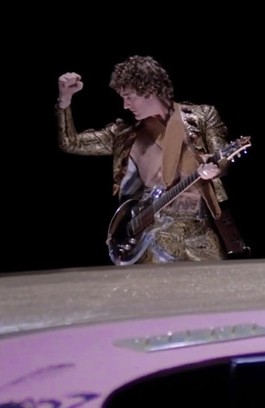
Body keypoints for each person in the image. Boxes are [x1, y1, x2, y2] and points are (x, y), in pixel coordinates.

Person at [56, 55, 248, 265]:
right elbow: (71, 143)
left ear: (150, 89)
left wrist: (216, 168)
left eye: (129, 97)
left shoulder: (202, 116)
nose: (125, 105)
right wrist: (65, 100)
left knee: (220, 282)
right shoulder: (124, 133)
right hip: (153, 233)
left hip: (201, 230)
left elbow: (223, 158)